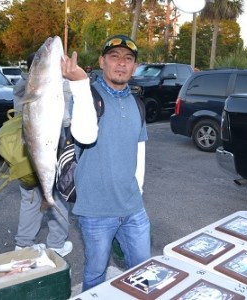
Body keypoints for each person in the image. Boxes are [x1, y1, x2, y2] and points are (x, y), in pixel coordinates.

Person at [61, 34, 151, 291]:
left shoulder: (137, 102)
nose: (121, 63)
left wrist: (139, 191)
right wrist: (78, 84)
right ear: (102, 61)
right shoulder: (87, 95)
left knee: (144, 272)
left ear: (134, 67)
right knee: (95, 274)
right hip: (96, 210)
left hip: (133, 207)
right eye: (114, 57)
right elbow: (85, 136)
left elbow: (139, 149)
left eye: (128, 59)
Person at [12, 51, 96, 257]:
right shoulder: (53, 86)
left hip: (25, 155)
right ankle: (56, 244)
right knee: (57, 196)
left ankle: (23, 245)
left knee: (30, 198)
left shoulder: (21, 86)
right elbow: (66, 119)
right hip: (51, 150)